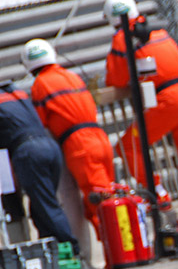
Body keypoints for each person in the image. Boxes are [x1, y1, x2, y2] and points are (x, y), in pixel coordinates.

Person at [103, 0, 178, 235]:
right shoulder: (160, 32)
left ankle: (160, 193)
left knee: (129, 146)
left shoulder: (122, 38)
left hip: (168, 99)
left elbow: (116, 78)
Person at [22, 39, 115, 240]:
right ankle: (123, 250)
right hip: (100, 138)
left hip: (78, 144)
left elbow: (40, 121)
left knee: (99, 202)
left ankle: (117, 257)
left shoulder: (41, 84)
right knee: (109, 195)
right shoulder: (71, 76)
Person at [0, 79, 80, 253]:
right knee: (39, 208)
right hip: (48, 146)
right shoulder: (14, 92)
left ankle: (72, 251)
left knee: (46, 206)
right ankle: (52, 254)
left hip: (29, 151)